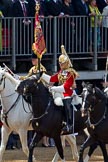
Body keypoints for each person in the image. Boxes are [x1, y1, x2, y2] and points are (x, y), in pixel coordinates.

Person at [41, 45, 79, 134]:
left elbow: (65, 87)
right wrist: (42, 75)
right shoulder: (61, 72)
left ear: (66, 63)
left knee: (66, 101)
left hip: (68, 93)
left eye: (62, 63)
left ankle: (69, 124)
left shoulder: (71, 73)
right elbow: (52, 79)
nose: (60, 65)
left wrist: (53, 88)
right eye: (59, 63)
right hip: (59, 92)